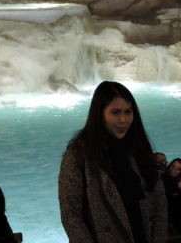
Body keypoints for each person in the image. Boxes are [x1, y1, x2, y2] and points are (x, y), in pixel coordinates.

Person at [58, 81, 167, 243]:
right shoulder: (79, 154)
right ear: (99, 114)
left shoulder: (138, 148)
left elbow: (158, 202)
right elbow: (71, 214)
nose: (123, 120)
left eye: (128, 112)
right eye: (115, 112)